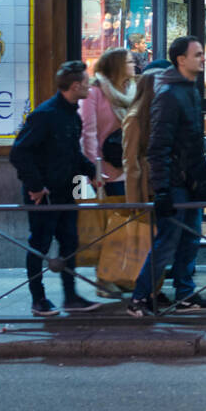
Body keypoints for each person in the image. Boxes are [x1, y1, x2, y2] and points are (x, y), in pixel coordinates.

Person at [128, 36, 206, 316]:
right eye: (198, 54)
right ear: (181, 59)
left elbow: (191, 141)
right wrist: (163, 188)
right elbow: (159, 146)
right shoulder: (168, 94)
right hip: (176, 182)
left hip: (189, 180)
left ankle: (185, 293)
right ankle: (139, 298)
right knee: (167, 240)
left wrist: (201, 176)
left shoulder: (188, 90)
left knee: (191, 238)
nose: (204, 58)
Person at [9, 61, 103, 316]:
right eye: (86, 82)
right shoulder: (45, 114)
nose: (90, 86)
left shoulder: (72, 114)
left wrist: (91, 172)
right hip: (45, 194)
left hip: (67, 190)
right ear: (75, 86)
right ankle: (38, 299)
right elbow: (19, 152)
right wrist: (36, 186)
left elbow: (73, 153)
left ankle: (70, 296)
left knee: (69, 242)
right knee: (39, 244)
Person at [79, 47, 138, 298]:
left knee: (127, 225)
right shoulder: (94, 92)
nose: (133, 63)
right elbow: (88, 134)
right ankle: (104, 279)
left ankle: (120, 274)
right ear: (115, 65)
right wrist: (95, 169)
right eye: (128, 61)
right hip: (107, 171)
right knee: (110, 226)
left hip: (129, 168)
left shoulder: (131, 91)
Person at [121, 66, 164, 308]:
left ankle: (152, 291)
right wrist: (134, 201)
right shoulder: (136, 116)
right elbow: (130, 162)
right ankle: (143, 294)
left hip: (156, 184)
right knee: (148, 243)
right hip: (145, 188)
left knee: (158, 241)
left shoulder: (152, 112)